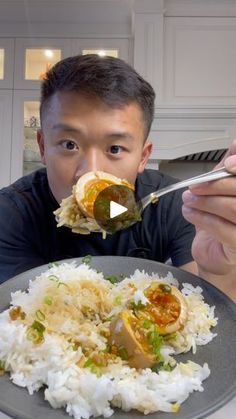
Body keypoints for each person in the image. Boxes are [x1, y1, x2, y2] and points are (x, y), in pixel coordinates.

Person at [0, 54, 235, 300]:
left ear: (143, 157)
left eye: (114, 149)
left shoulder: (172, 202)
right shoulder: (11, 213)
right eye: (69, 144)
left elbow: (208, 312)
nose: (89, 174)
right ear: (43, 147)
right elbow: (20, 319)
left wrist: (217, 273)